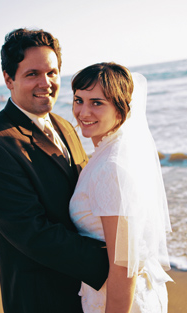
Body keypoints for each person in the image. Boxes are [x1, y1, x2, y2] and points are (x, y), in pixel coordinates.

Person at [0, 28, 109, 313]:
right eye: (32, 74)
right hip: (42, 297)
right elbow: (33, 233)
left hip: (89, 293)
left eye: (52, 72)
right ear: (8, 79)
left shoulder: (67, 125)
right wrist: (115, 261)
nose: (46, 83)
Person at [69, 63, 173, 313]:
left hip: (119, 301)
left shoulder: (111, 167)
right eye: (78, 100)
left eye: (97, 103)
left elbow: (124, 264)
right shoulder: (109, 153)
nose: (83, 111)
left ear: (121, 109)